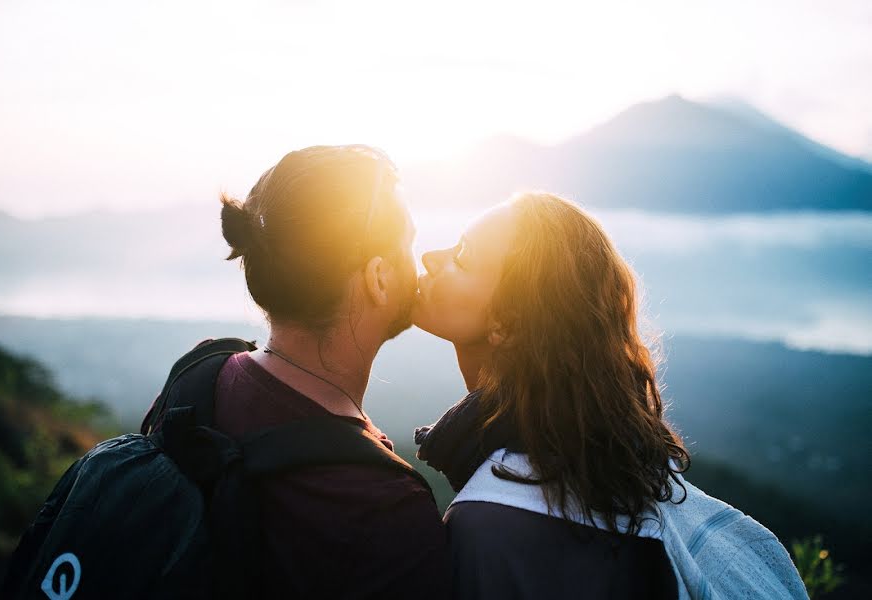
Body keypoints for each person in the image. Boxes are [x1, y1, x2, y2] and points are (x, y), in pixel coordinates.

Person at [413, 192, 807, 599]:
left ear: (506, 323)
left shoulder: (490, 524)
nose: (429, 258)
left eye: (461, 257)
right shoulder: (642, 489)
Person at [200, 145, 449, 597]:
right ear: (378, 278)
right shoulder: (385, 510)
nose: (422, 260)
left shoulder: (198, 382)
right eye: (409, 245)